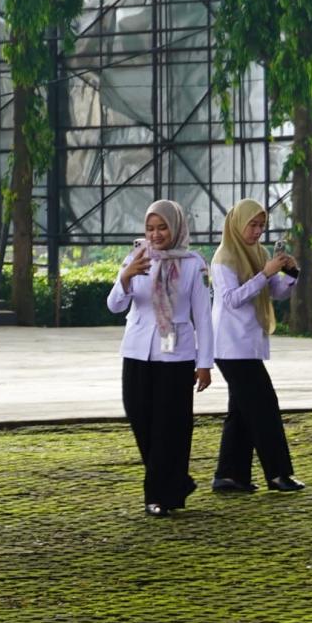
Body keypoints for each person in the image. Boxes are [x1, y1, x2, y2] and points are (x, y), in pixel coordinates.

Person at [107, 200, 214, 518]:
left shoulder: (194, 264)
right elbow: (114, 305)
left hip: (176, 355)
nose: (155, 235)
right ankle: (176, 480)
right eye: (150, 228)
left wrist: (204, 363)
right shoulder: (136, 258)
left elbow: (203, 317)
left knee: (171, 427)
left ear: (176, 227)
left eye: (162, 227)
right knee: (140, 417)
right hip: (138, 351)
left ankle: (157, 495)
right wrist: (125, 277)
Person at [210, 199, 305, 495]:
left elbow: (274, 293)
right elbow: (232, 299)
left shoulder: (259, 253)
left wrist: (289, 272)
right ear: (238, 223)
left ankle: (229, 476)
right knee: (264, 407)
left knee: (241, 411)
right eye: (252, 224)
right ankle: (278, 474)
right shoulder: (223, 258)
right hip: (230, 345)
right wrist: (264, 273)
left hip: (249, 344)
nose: (257, 231)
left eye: (261, 225)